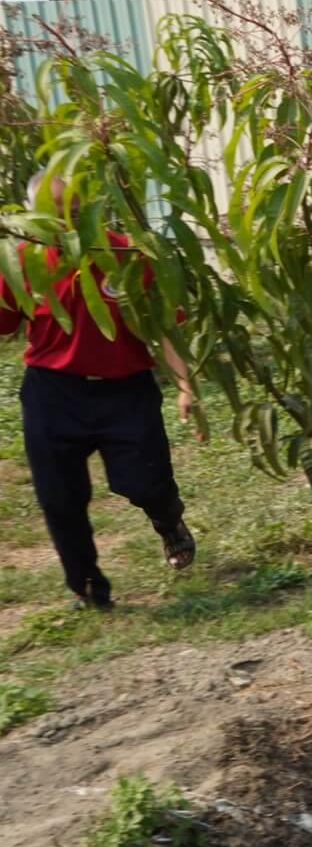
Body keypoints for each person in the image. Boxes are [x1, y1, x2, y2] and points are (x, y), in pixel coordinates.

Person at [1, 173, 198, 610]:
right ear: (34, 216)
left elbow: (164, 326)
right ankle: (86, 583)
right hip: (52, 392)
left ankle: (168, 522)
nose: (68, 221)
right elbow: (5, 323)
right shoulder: (19, 261)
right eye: (56, 214)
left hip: (125, 389)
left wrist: (185, 384)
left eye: (75, 209)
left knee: (146, 482)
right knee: (59, 498)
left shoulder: (124, 253)